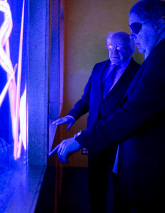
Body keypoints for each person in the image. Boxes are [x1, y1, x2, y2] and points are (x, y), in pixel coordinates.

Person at [55, 0, 165, 212]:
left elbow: (134, 112)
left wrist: (82, 139)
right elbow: (90, 98)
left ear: (158, 23)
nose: (133, 35)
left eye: (135, 27)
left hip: (159, 175)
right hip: (147, 163)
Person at [53, 31, 140, 212]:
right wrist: (72, 116)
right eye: (110, 47)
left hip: (121, 140)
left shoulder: (139, 73)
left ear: (131, 49)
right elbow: (87, 98)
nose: (114, 52)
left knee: (121, 186)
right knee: (95, 183)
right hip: (93, 137)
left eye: (119, 48)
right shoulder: (98, 67)